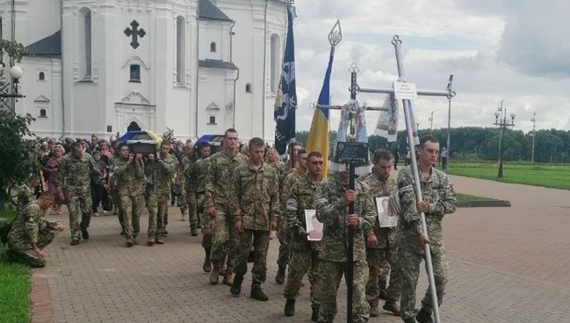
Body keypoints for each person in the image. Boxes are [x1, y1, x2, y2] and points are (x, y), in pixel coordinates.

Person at [397, 136, 457, 323]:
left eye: (437, 151)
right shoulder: (407, 174)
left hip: (434, 238)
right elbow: (409, 208)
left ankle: (426, 310)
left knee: (440, 277)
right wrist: (418, 231)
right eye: (430, 150)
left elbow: (451, 204)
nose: (434, 155)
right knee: (409, 282)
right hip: (411, 238)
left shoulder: (441, 177)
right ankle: (408, 317)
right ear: (419, 151)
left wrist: (429, 207)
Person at [313, 164, 378, 323]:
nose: (348, 167)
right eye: (344, 163)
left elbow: (372, 216)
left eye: (352, 163)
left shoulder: (363, 187)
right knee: (327, 301)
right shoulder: (325, 187)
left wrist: (359, 221)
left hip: (356, 253)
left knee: (359, 299)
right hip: (331, 253)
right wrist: (342, 202)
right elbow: (320, 214)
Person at [229, 137, 280, 301]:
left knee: (261, 256)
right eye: (256, 152)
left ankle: (256, 286)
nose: (260, 155)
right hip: (246, 219)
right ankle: (238, 278)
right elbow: (234, 197)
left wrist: (274, 217)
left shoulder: (271, 172)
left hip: (264, 220)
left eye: (262, 152)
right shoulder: (240, 171)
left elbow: (275, 196)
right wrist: (237, 218)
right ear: (249, 152)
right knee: (242, 254)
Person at [359, 149, 401, 317]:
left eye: (390, 166)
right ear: (374, 163)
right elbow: (361, 210)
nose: (387, 171)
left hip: (393, 234)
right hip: (375, 234)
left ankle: (391, 300)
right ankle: (372, 302)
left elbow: (398, 206)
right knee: (373, 271)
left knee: (400, 268)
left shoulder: (393, 182)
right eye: (383, 167)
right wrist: (369, 232)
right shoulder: (365, 183)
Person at [282, 151, 324, 319]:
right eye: (314, 163)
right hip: (302, 240)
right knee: (295, 273)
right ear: (308, 164)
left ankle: (316, 306)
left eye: (321, 163)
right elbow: (290, 213)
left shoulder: (327, 187)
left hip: (321, 240)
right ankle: (290, 299)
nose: (318, 166)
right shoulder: (298, 186)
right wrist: (300, 230)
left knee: (319, 275)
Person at [204, 128, 248, 286]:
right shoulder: (215, 159)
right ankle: (216, 267)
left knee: (235, 243)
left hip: (237, 209)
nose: (232, 142)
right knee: (220, 239)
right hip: (220, 206)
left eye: (235, 139)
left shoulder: (244, 160)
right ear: (224, 141)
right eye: (230, 139)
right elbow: (209, 183)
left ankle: (229, 272)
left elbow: (247, 186)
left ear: (238, 141)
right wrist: (210, 203)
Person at [56, 141, 108, 245]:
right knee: (73, 213)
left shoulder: (87, 157)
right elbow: (59, 177)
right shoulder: (65, 160)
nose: (80, 154)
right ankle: (75, 235)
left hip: (85, 189)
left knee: (87, 211)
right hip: (72, 190)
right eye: (78, 152)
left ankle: (84, 226)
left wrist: (103, 183)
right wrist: (60, 191)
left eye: (81, 151)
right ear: (72, 152)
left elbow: (96, 171)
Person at [275, 148, 309, 284]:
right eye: (304, 159)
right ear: (298, 160)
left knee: (299, 249)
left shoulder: (312, 177)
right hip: (290, 217)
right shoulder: (291, 178)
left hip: (306, 219)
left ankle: (296, 275)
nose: (306, 162)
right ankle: (281, 268)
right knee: (285, 246)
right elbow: (285, 198)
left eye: (308, 159)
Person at [6, 192, 65, 267]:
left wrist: (56, 226)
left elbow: (42, 223)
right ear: (44, 200)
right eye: (50, 204)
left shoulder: (40, 208)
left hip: (25, 238)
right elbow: (31, 228)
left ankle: (27, 252)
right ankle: (15, 255)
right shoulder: (33, 207)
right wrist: (35, 247)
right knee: (40, 262)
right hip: (18, 240)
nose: (50, 207)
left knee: (52, 232)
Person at [111, 144, 145, 247]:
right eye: (123, 150)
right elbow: (117, 172)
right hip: (124, 191)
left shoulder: (137, 161)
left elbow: (140, 174)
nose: (125, 152)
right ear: (119, 151)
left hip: (137, 192)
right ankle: (129, 237)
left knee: (136, 215)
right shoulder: (116, 161)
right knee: (127, 213)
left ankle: (134, 234)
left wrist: (136, 162)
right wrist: (128, 162)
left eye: (127, 150)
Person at [145, 142, 177, 246]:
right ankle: (151, 235)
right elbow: (147, 172)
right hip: (152, 190)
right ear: (160, 148)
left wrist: (160, 161)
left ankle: (159, 234)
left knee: (161, 214)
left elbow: (169, 170)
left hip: (164, 191)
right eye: (163, 148)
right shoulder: (154, 157)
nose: (165, 150)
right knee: (153, 212)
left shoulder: (172, 159)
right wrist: (150, 162)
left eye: (167, 149)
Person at [195, 143, 213, 272]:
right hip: (205, 196)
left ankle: (221, 266)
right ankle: (208, 254)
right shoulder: (204, 162)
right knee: (208, 233)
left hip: (224, 200)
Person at [45, 145, 65, 214]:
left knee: (60, 195)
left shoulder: (65, 159)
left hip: (62, 180)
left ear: (62, 152)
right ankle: (53, 207)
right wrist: (52, 170)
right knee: (52, 194)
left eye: (59, 151)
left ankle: (59, 208)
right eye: (56, 151)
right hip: (52, 180)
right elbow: (46, 169)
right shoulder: (51, 160)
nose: (57, 153)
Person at [91, 150, 108, 217]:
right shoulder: (91, 163)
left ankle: (97, 205)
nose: (97, 157)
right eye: (95, 155)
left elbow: (105, 172)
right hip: (92, 181)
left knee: (99, 196)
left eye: (98, 155)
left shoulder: (102, 163)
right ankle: (94, 210)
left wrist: (103, 177)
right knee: (94, 196)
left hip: (100, 181)